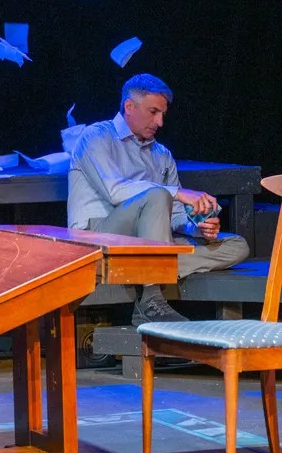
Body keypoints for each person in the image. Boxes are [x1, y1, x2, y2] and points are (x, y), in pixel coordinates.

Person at [67, 73, 250, 325]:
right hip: (99, 237)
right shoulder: (95, 137)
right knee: (157, 194)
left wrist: (196, 227)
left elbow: (174, 214)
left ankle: (143, 270)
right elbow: (115, 191)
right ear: (129, 106)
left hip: (147, 243)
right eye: (153, 112)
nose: (160, 122)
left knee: (236, 245)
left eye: (163, 114)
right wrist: (176, 192)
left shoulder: (162, 154)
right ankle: (151, 297)